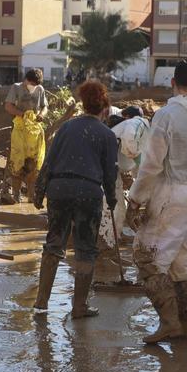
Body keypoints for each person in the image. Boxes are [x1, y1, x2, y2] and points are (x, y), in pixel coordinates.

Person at [126, 61, 187, 343]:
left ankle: (170, 323)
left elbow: (152, 165)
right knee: (184, 261)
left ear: (173, 83)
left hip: (174, 192)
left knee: (147, 258)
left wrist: (135, 200)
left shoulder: (167, 116)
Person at [32, 80, 119, 319]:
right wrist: (112, 199)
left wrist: (39, 192)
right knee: (85, 250)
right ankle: (79, 306)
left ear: (82, 103)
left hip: (59, 188)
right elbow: (110, 173)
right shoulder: (107, 135)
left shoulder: (67, 128)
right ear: (104, 108)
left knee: (54, 243)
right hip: (88, 192)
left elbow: (49, 161)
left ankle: (41, 301)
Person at [2, 68, 47, 205]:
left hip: (34, 131)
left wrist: (41, 115)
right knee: (17, 163)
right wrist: (22, 114)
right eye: (31, 83)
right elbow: (8, 106)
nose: (33, 86)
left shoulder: (40, 89)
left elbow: (45, 107)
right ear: (26, 80)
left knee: (34, 164)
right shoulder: (16, 88)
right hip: (20, 130)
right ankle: (16, 196)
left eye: (35, 84)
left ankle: (31, 196)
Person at [109, 105, 149, 238]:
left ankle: (114, 237)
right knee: (116, 206)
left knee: (117, 204)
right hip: (107, 166)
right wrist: (138, 159)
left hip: (110, 167)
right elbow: (130, 143)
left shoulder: (125, 125)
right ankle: (110, 240)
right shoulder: (138, 122)